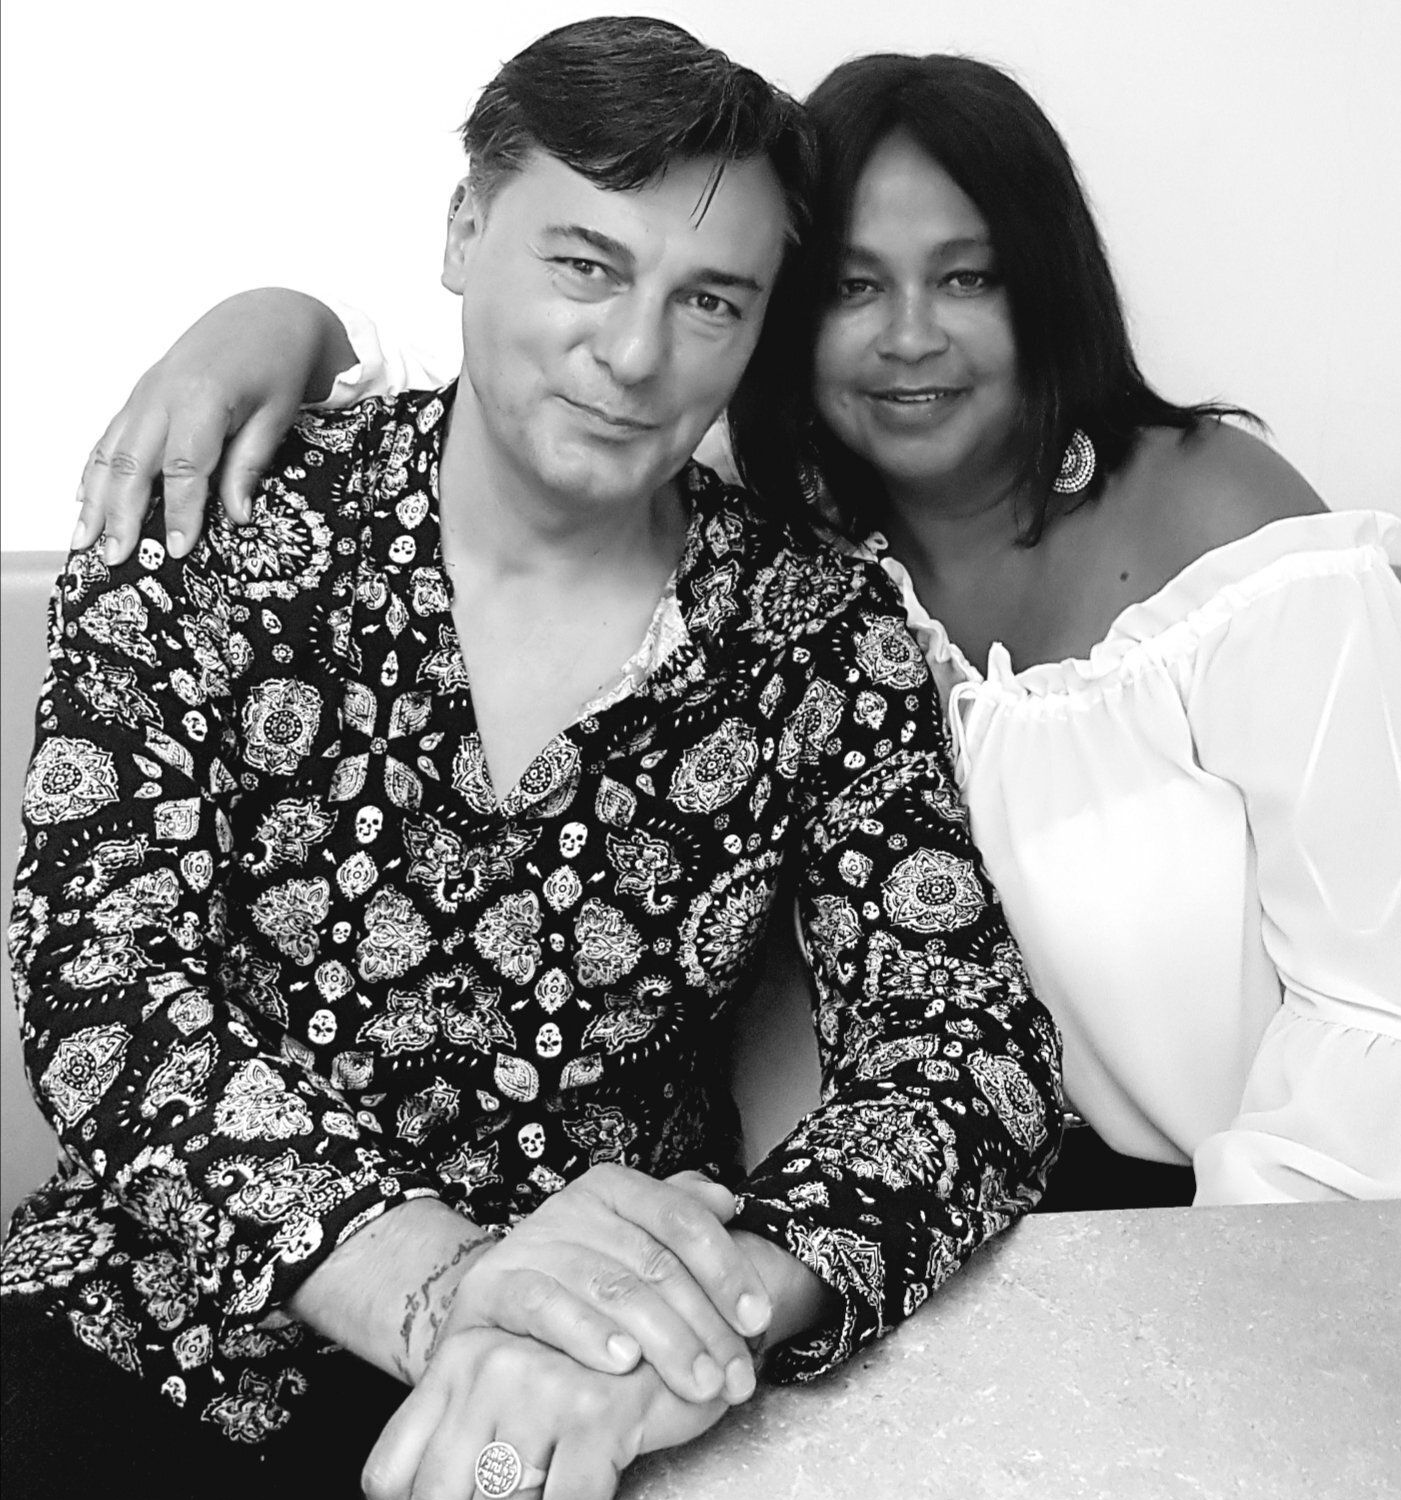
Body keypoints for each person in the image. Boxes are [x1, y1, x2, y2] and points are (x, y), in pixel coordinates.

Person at [1, 22, 1061, 1500]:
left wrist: (703, 1318)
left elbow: (969, 1051)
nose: (634, 356)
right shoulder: (209, 533)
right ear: (462, 232)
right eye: (584, 266)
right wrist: (439, 1288)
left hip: (598, 1388)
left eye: (709, 301)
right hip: (153, 1333)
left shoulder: (817, 632)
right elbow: (104, 982)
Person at [68, 49, 1400, 1212]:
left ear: (1043, 290)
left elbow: (1374, 1006)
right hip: (879, 1215)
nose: (910, 338)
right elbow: (533, 397)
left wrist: (1235, 1293)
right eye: (853, 288)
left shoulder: (1222, 529)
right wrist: (274, 321)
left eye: (967, 277)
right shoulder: (779, 522)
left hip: (1222, 1215)